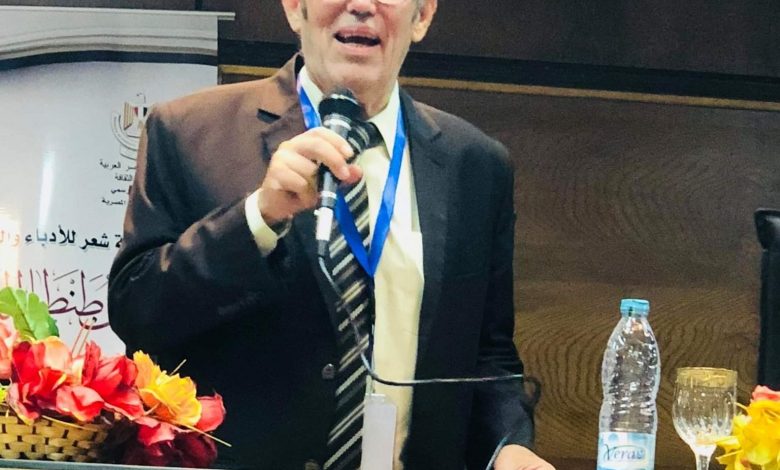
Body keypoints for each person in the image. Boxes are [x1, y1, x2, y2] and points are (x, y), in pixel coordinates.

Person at [109, 0, 554, 468]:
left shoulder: (476, 165)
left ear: (422, 15)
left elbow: (488, 356)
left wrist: (507, 446)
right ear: (293, 7)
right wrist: (257, 218)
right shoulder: (190, 131)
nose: (361, 5)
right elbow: (137, 312)